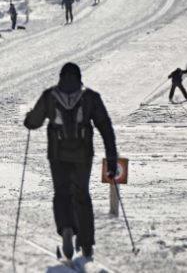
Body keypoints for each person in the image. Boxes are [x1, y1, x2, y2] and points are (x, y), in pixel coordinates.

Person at [23, 63, 119, 261]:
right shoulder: (90, 96)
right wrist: (111, 158)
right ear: (79, 77)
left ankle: (67, 228)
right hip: (83, 155)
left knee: (62, 193)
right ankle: (86, 243)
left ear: (61, 77)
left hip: (57, 155)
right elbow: (105, 127)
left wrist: (28, 119)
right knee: (82, 195)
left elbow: (34, 122)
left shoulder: (50, 95)